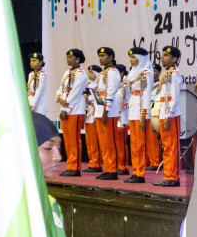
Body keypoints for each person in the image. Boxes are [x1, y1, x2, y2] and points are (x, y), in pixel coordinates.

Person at [152, 46, 183, 187]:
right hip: (163, 114)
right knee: (166, 146)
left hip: (171, 115)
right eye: (162, 55)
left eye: (166, 55)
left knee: (172, 147)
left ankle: (173, 177)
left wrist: (169, 117)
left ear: (174, 59)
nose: (162, 57)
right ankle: (168, 175)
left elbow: (175, 98)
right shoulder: (166, 75)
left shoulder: (175, 74)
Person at [123, 46, 153, 184]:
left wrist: (143, 115)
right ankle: (135, 171)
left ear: (141, 59)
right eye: (130, 57)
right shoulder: (133, 72)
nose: (131, 59)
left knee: (140, 145)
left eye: (134, 57)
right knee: (134, 144)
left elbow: (147, 95)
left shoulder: (146, 72)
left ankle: (140, 173)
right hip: (132, 109)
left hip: (140, 109)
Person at [94, 47, 125, 179]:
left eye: (103, 56)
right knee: (103, 143)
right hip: (100, 110)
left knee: (110, 142)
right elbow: (99, 91)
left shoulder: (113, 72)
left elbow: (111, 92)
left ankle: (112, 170)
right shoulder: (103, 73)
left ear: (111, 57)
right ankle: (107, 168)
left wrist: (106, 111)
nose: (101, 58)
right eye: (99, 56)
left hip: (109, 112)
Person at [57, 49, 88, 177]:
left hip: (75, 109)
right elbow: (61, 88)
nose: (68, 59)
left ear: (78, 59)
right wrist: (59, 97)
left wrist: (65, 108)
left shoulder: (81, 74)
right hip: (65, 108)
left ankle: (75, 167)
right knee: (68, 140)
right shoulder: (66, 73)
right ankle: (70, 165)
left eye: (71, 57)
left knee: (74, 140)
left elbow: (75, 92)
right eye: (67, 57)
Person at [27, 53, 55, 122]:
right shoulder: (31, 74)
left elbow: (39, 91)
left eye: (34, 61)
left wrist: (32, 104)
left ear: (40, 63)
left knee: (39, 122)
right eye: (31, 61)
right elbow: (29, 89)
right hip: (30, 100)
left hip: (39, 103)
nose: (31, 63)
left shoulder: (42, 75)